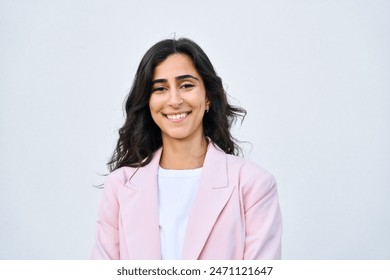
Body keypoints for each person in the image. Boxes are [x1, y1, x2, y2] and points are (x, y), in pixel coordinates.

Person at [91, 38, 282, 260]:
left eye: (186, 85)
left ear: (208, 96)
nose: (174, 100)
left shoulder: (254, 184)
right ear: (148, 102)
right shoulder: (120, 185)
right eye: (160, 88)